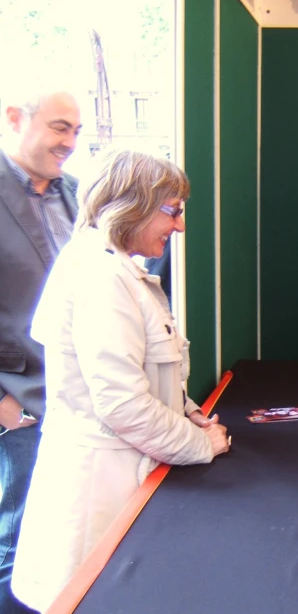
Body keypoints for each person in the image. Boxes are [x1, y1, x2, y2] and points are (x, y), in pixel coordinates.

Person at [11, 149, 231, 612]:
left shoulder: (110, 268)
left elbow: (147, 377)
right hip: (102, 487)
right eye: (172, 211)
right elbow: (124, 406)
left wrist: (189, 412)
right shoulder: (100, 277)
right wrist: (201, 445)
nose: (179, 226)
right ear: (130, 204)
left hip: (118, 473)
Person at [0, 86, 81, 613]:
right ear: (14, 118)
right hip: (21, 400)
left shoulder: (74, 190)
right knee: (18, 539)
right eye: (59, 127)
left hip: (76, 395)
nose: (70, 142)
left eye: (75, 131)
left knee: (64, 534)